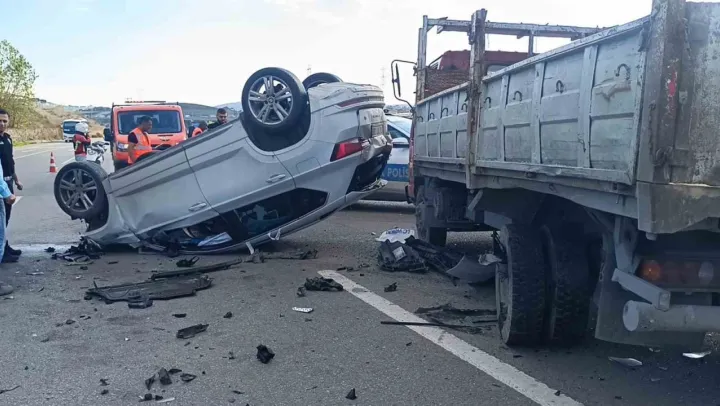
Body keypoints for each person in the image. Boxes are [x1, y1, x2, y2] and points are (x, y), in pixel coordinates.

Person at [0, 109, 22, 264]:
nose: (2, 124)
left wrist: (17, 180)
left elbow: (10, 162)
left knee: (6, 217)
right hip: (1, 185)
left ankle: (4, 246)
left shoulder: (7, 139)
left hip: (8, 182)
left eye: (4, 121)